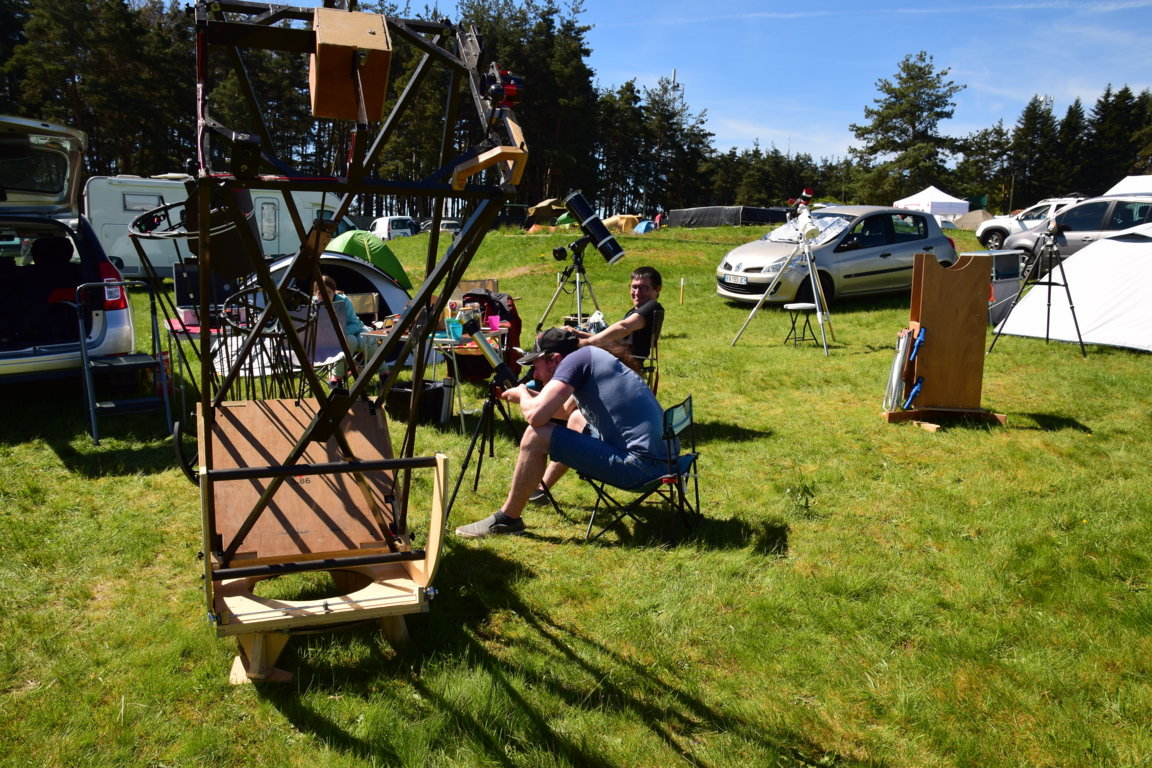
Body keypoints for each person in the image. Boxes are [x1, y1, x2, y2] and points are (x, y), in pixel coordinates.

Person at [454, 327, 672, 538]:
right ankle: (539, 490)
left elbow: (536, 417)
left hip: (639, 468)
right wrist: (525, 395)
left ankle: (508, 519)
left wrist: (523, 395)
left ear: (556, 360)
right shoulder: (588, 357)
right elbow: (565, 410)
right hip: (665, 462)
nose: (535, 374)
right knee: (576, 418)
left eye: (536, 365)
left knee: (535, 435)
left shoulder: (573, 362)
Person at [529, 266, 664, 501]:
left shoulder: (651, 308)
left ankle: (540, 481)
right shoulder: (638, 309)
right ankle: (542, 487)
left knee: (568, 412)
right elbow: (617, 340)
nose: (637, 292)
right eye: (634, 287)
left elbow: (623, 328)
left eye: (644, 288)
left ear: (657, 290)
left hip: (619, 370)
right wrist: (577, 335)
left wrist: (586, 343)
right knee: (573, 416)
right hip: (616, 363)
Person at [314, 274, 376, 383]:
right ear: (315, 293)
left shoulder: (343, 301)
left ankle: (384, 373)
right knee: (350, 340)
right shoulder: (313, 304)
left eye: (328, 292)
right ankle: (337, 377)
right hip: (331, 339)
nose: (324, 295)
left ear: (334, 292)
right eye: (320, 293)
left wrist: (342, 333)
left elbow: (355, 324)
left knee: (365, 340)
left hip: (354, 329)